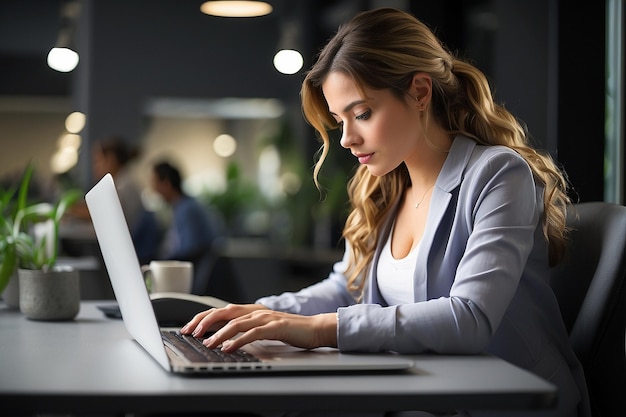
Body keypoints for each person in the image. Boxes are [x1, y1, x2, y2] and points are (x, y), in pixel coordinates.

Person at [181, 8, 589, 417]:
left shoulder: (499, 174)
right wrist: (264, 312)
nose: (346, 138)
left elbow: (470, 318)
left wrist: (320, 329)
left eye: (362, 114)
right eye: (340, 120)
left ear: (420, 92)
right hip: (423, 395)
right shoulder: (386, 186)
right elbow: (346, 288)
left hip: (505, 405)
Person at [68, 136, 159, 263]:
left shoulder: (125, 187)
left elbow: (102, 216)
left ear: (111, 159)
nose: (95, 167)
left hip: (130, 257)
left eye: (98, 161)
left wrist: (70, 210)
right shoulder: (122, 183)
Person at [151, 160, 222, 293]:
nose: (153, 189)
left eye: (154, 182)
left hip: (192, 279)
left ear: (166, 183)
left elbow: (191, 250)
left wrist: (162, 263)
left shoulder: (187, 210)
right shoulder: (182, 207)